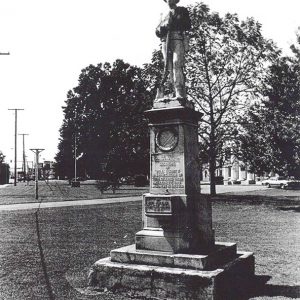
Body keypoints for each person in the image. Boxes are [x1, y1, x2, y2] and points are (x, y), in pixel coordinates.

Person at [155, 0, 191, 101]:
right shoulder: (164, 14)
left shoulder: (181, 10)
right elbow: (157, 31)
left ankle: (179, 90)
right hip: (165, 41)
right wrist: (163, 27)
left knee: (177, 63)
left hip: (177, 38)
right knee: (168, 66)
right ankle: (169, 90)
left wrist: (174, 22)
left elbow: (187, 24)